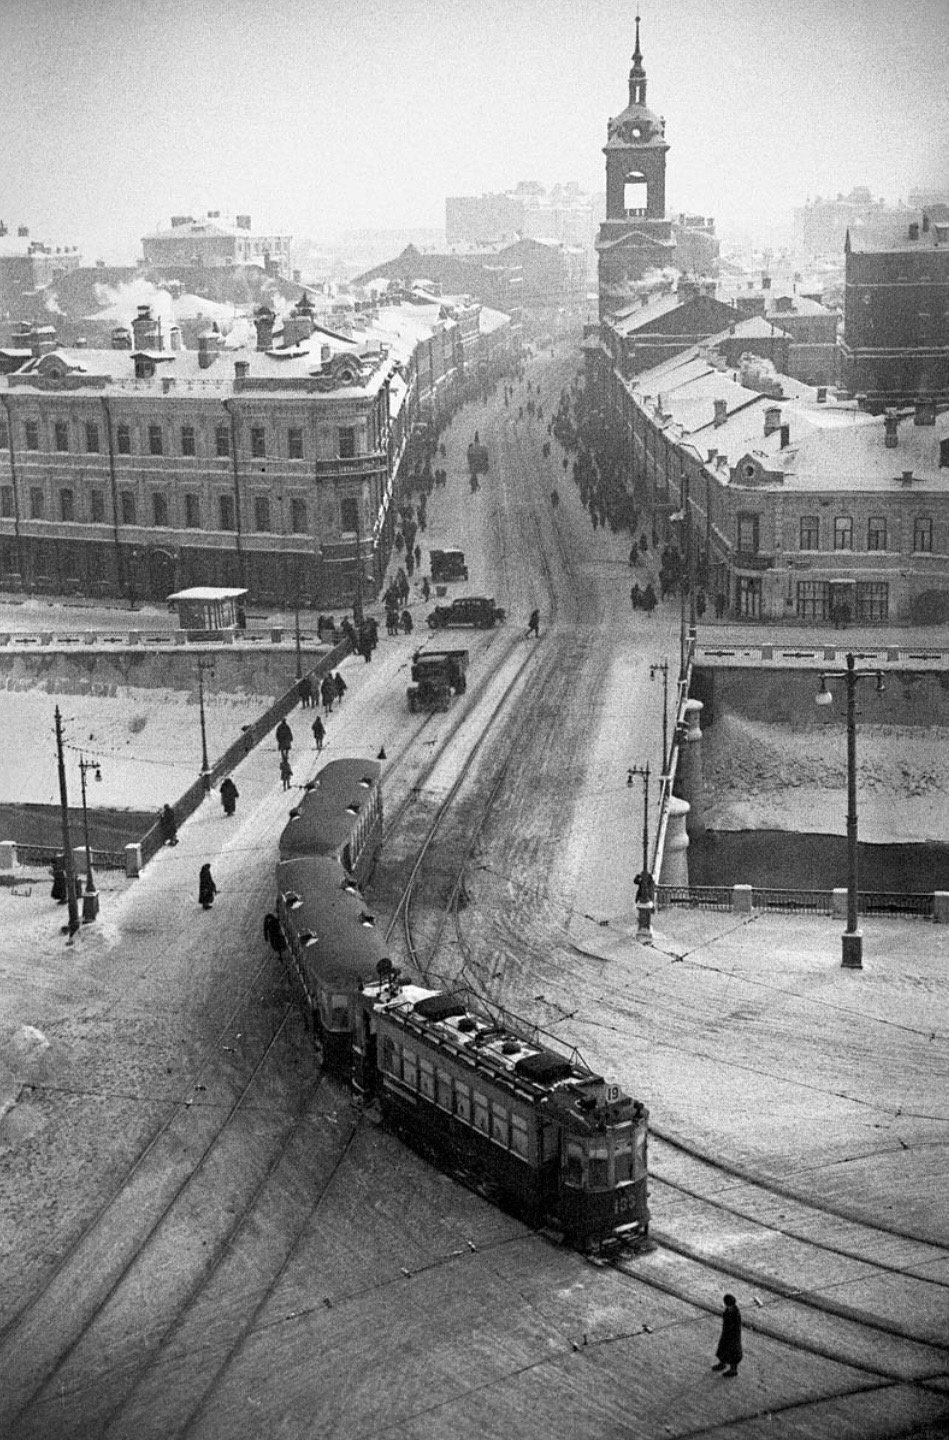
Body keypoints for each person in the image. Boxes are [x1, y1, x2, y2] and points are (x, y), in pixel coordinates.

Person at [713, 1294, 742, 1377]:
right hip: (726, 1334)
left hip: (733, 1336)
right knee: (723, 1349)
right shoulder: (728, 1310)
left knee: (733, 1352)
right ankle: (722, 1363)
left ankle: (733, 1370)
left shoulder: (735, 1313)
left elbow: (733, 1325)